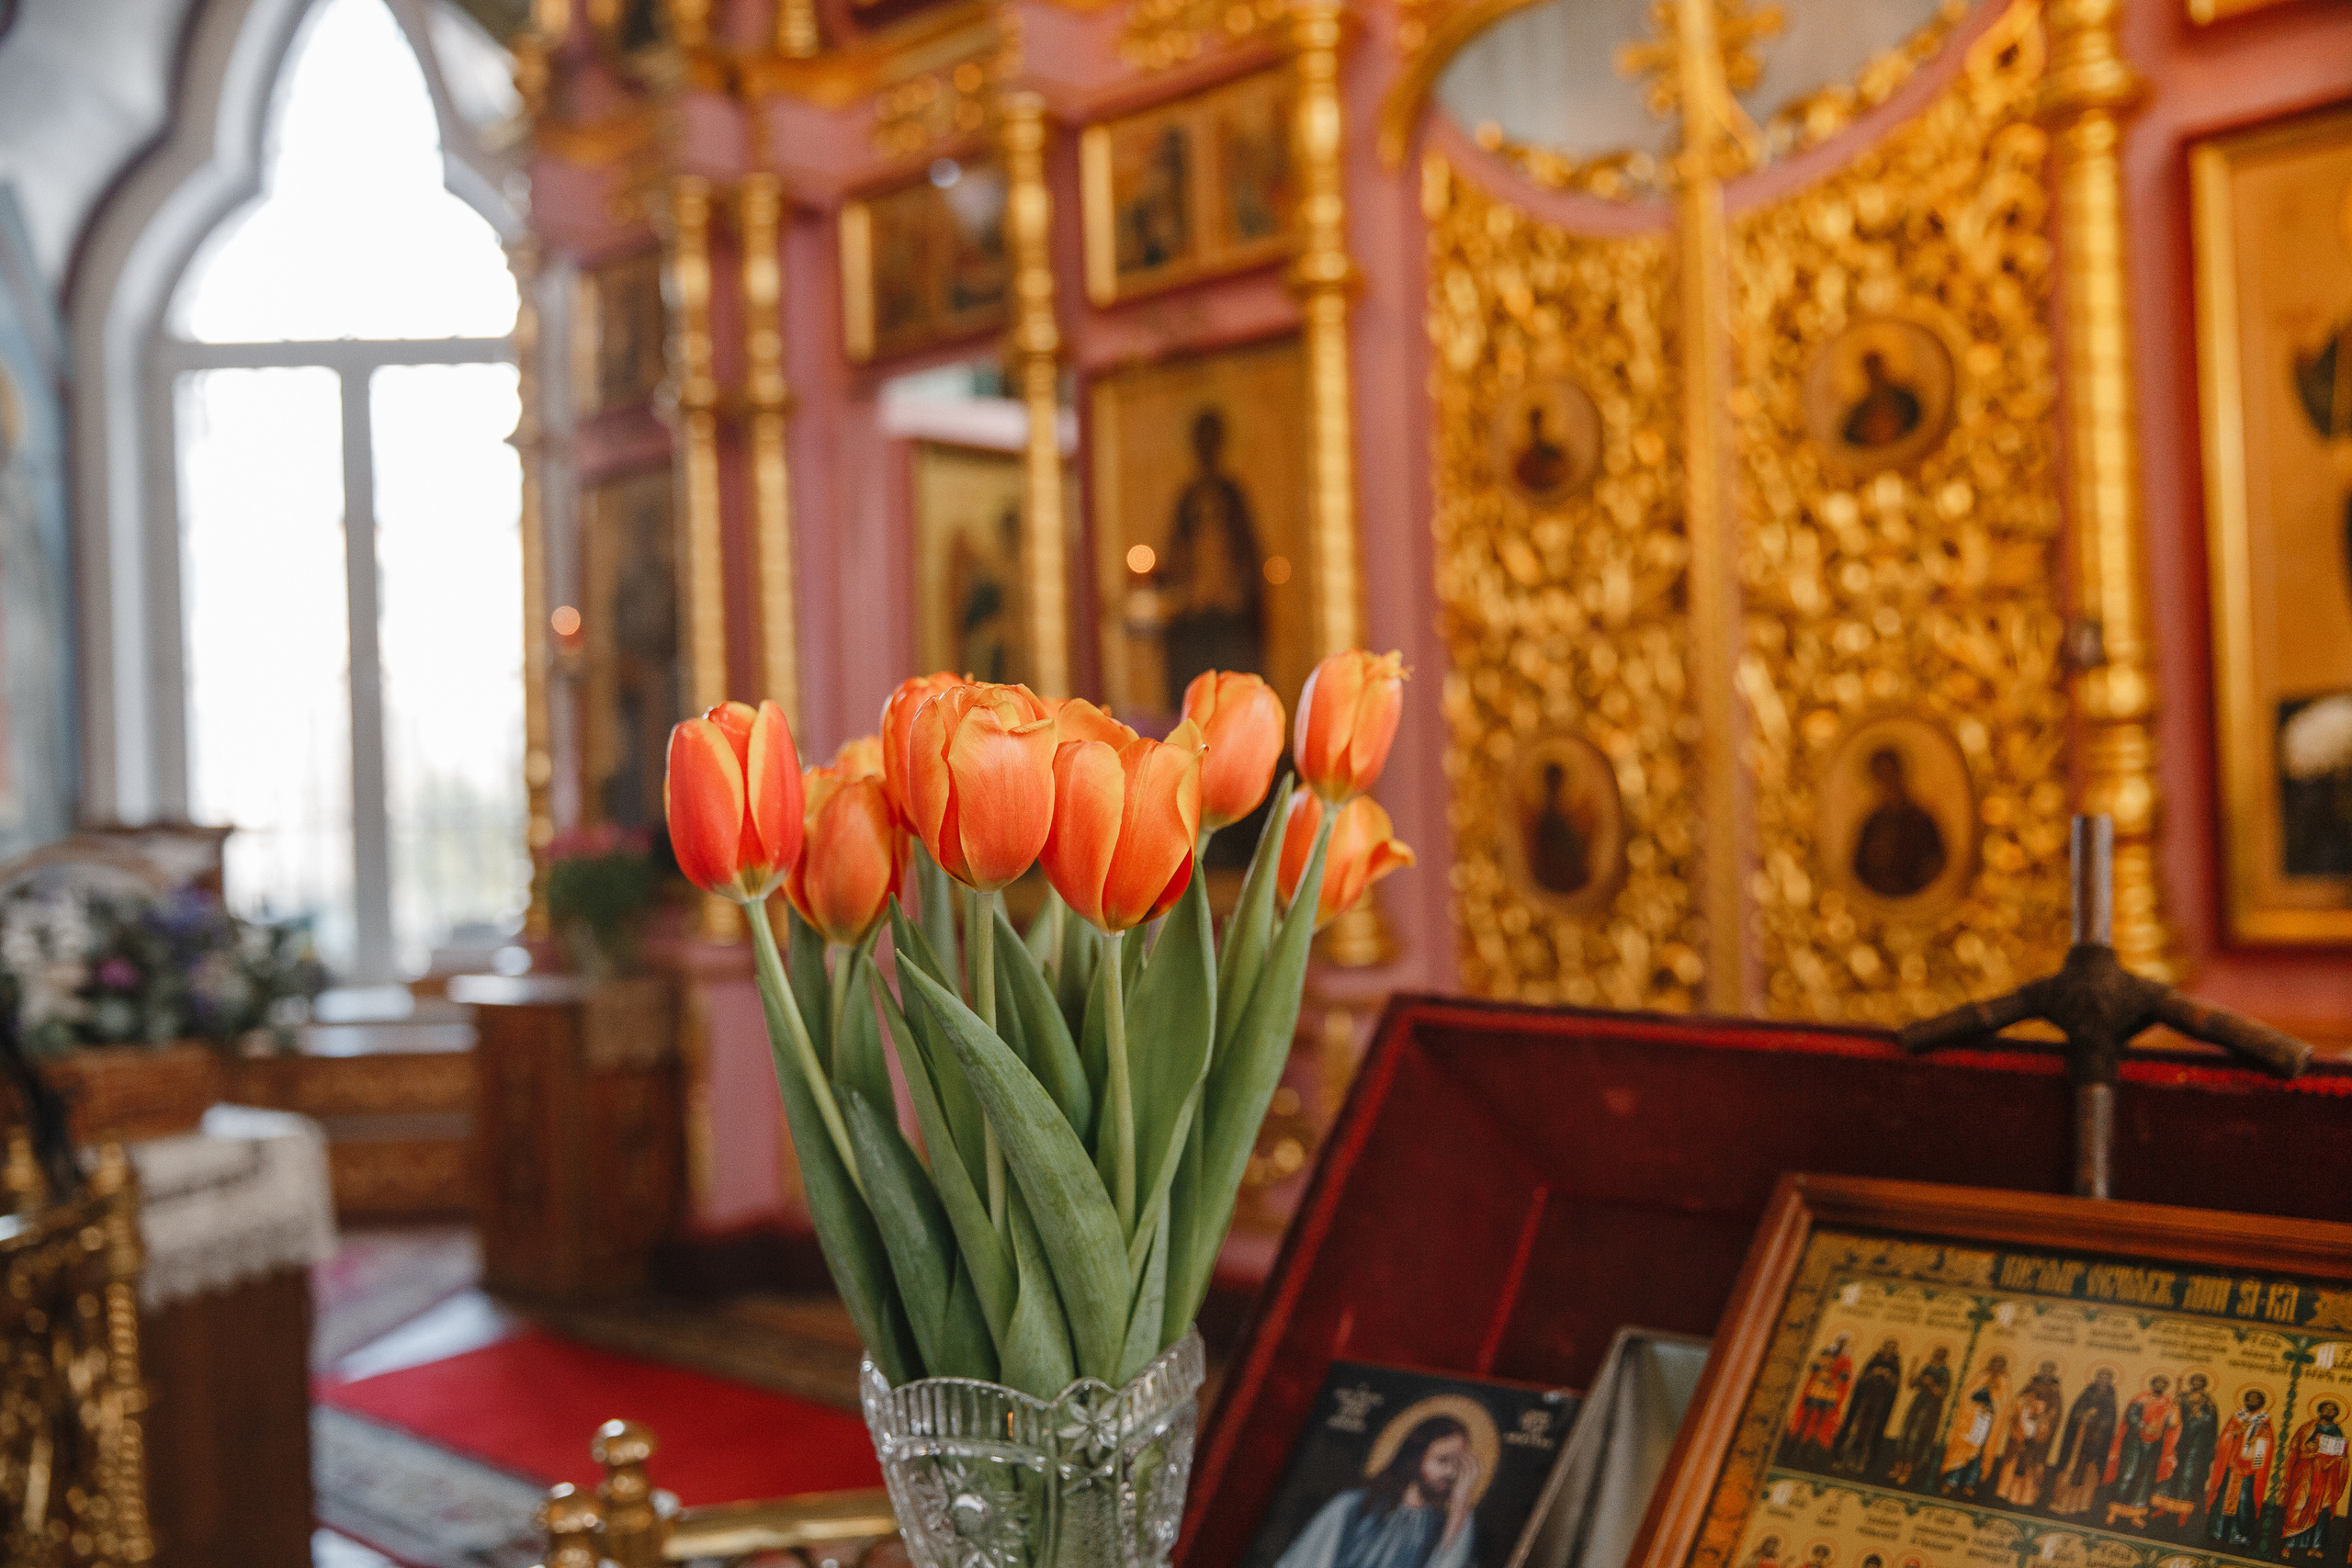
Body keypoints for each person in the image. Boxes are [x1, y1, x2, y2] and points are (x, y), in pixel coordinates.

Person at [1157, 408, 1266, 714]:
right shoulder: (1187, 498)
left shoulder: (1232, 496)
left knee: (1231, 697)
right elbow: (1175, 555)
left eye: (1212, 440)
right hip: (1195, 615)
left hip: (1229, 613)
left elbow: (1248, 553)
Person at [1274, 1416, 1481, 1568]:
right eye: (1443, 1460)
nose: (1451, 1473)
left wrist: (1460, 1500)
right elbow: (1307, 1560)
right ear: (1414, 1458)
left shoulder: (1442, 1525)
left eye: (1458, 1465)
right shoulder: (1353, 1505)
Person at [1853, 748, 1947, 899]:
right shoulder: (1872, 823)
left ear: (1900, 774)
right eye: (1882, 776)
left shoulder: (1921, 819)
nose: (1888, 781)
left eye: (1891, 773)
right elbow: (1859, 868)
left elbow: (1935, 862)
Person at [2106, 1373, 2180, 1529]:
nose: (2159, 1386)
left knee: (2145, 1479)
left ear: (2165, 1387)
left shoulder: (2168, 1403)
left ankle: (2136, 1513)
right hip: (2134, 1442)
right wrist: (2143, 1426)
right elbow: (2130, 1416)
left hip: (2153, 1446)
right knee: (2127, 1474)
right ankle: (2114, 1511)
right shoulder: (2141, 1399)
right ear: (2152, 1384)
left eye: (2163, 1384)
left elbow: (2172, 1425)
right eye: (2157, 1383)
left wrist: (2175, 1412)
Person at [2207, 1390, 2276, 1550]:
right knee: (2223, 1496)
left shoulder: (2264, 1421)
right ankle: (2217, 1531)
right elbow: (2225, 1438)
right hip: (2231, 1465)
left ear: (2261, 1402)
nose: (2252, 1400)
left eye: (2256, 1398)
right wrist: (2237, 1432)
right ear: (2245, 1400)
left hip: (2249, 1466)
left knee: (2245, 1500)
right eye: (2250, 1397)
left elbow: (2267, 1444)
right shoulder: (2238, 1417)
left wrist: (2261, 1436)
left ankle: (2241, 1536)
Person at [2151, 1373, 2220, 1532]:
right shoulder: (2183, 1397)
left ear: (2204, 1384)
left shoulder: (2208, 1401)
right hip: (2180, 1441)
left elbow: (2211, 1421)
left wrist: (2201, 1416)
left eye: (2200, 1381)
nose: (2196, 1383)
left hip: (2197, 1445)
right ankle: (2164, 1506)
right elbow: (2173, 1415)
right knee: (2171, 1473)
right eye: (2194, 1380)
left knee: (2188, 1476)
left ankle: (2183, 1513)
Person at [2280, 1398, 2347, 1560]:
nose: (2329, 1412)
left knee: (2322, 1511)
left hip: (2326, 1478)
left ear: (2336, 1413)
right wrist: (2307, 1449)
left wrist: (2339, 1459)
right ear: (2320, 1410)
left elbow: (2342, 1456)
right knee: (2298, 1506)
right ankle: (2289, 1544)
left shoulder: (2337, 1431)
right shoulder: (2307, 1428)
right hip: (2305, 1474)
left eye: (2332, 1410)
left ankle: (2316, 1547)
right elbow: (2295, 1448)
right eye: (2326, 1409)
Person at [2048, 1369, 2120, 1517]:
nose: (2103, 1380)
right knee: (2071, 1468)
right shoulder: (2087, 1393)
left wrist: (2097, 1421)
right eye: (2101, 1376)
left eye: (2106, 1378)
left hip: (2095, 1445)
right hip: (2078, 1441)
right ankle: (2062, 1502)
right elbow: (2075, 1413)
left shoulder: (2110, 1398)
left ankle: (2082, 1505)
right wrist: (2084, 1416)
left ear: (2110, 1381)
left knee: (2089, 1473)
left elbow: (2109, 1421)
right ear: (2096, 1378)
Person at [1939, 1355, 2011, 1498]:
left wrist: (1992, 1401)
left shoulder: (2004, 1382)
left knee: (1978, 1456)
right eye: (1994, 1364)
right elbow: (1967, 1395)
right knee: (1961, 1451)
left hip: (1987, 1424)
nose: (1996, 1368)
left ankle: (1969, 1484)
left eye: (1999, 1365)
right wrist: (1977, 1405)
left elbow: (2003, 1405)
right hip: (1970, 1422)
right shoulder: (1981, 1377)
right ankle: (1951, 1481)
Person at [1996, 1363, 2065, 1507]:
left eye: (2049, 1370)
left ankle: (2026, 1497)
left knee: (2032, 1463)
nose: (2046, 1373)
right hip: (2022, 1428)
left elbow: (2056, 1412)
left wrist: (2044, 1417)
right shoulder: (2030, 1385)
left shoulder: (2054, 1390)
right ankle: (2005, 1492)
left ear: (2053, 1373)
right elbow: (2018, 1402)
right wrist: (2026, 1404)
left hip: (2039, 1432)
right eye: (2044, 1370)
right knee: (2014, 1458)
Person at [1834, 1341, 1906, 1477]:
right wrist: (1874, 1373)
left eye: (1891, 1349)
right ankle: (1842, 1459)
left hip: (1878, 1409)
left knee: (1870, 1437)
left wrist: (1888, 1376)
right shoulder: (1874, 1362)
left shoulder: (1895, 1366)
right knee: (1853, 1431)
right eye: (1886, 1348)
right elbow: (1862, 1379)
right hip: (1863, 1404)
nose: (1888, 1352)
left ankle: (1862, 1464)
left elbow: (1894, 1386)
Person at [1785, 1335, 1856, 1468]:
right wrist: (1823, 1366)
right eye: (1840, 1341)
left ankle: (1810, 1452)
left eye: (1844, 1342)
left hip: (1830, 1393)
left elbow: (1847, 1375)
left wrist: (1835, 1380)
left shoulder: (1846, 1358)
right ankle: (1795, 1449)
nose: (1842, 1344)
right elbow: (1814, 1366)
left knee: (1821, 1421)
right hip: (1817, 1388)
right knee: (1806, 1419)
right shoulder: (1826, 1352)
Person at [1887, 1348, 1953, 1487]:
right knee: (1905, 1433)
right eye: (1936, 1353)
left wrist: (1931, 1384)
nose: (1936, 1355)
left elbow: (1942, 1393)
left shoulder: (1945, 1372)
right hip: (1918, 1403)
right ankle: (1897, 1467)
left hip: (1930, 1408)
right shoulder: (1927, 1368)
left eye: (1940, 1354)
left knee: (1915, 1437)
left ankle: (1907, 1470)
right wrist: (1912, 1370)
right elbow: (1912, 1385)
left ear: (1944, 1357)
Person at [1528, 761, 1592, 896]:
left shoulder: (1564, 814)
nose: (1558, 787)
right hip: (1552, 876)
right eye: (1555, 782)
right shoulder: (1546, 816)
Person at [1841, 350, 1923, 448]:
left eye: (1876, 368)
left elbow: (1919, 423)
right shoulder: (1860, 408)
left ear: (1883, 367)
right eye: (1869, 370)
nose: (1874, 374)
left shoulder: (1905, 398)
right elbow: (1849, 438)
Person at [1512, 404, 1571, 497]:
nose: (1536, 426)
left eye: (1538, 421)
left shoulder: (1554, 450)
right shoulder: (1522, 455)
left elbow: (1563, 471)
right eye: (1534, 422)